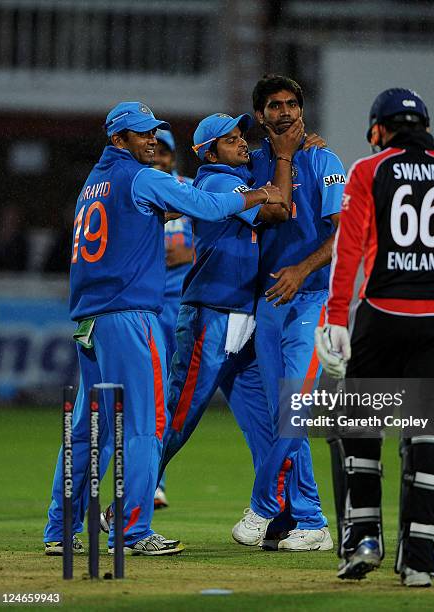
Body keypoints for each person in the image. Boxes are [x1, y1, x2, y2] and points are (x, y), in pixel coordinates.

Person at [43, 101, 283, 557]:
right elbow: (210, 206)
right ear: (119, 140)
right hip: (129, 317)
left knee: (87, 431)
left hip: (89, 322)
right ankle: (132, 530)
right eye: (141, 134)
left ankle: (60, 531)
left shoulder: (93, 185)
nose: (151, 139)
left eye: (154, 131)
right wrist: (257, 194)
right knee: (145, 425)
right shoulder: (142, 177)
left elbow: (135, 220)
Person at [315, 88, 434, 586]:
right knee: (428, 437)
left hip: (381, 316)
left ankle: (363, 540)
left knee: (359, 429)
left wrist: (337, 319)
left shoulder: (368, 170)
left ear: (381, 128)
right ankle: (419, 562)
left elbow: (349, 251)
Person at [231, 75, 345, 552]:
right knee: (284, 414)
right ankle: (310, 521)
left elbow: (343, 237)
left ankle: (265, 508)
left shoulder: (326, 160)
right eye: (274, 106)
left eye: (291, 104)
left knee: (294, 408)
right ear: (260, 116)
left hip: (311, 300)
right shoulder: (250, 165)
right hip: (267, 305)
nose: (284, 113)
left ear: (301, 110)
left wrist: (301, 268)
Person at [158, 112, 294, 508]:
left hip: (240, 315)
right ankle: (124, 503)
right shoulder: (217, 180)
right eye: (230, 139)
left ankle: (279, 514)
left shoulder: (241, 179)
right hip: (212, 313)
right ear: (208, 152)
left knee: (266, 424)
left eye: (241, 136)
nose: (241, 143)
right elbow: (278, 209)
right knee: (178, 419)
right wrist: (283, 161)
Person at [153, 128, 194, 510]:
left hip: (182, 306)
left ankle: (152, 479)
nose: (160, 159)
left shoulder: (189, 188)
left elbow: (219, 239)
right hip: (146, 303)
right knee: (152, 395)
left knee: (168, 394)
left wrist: (191, 255)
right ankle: (152, 481)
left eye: (165, 152)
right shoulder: (138, 189)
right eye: (155, 151)